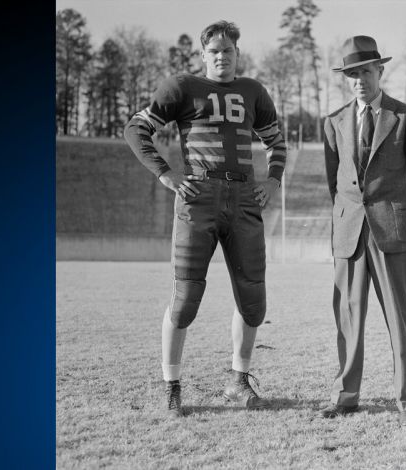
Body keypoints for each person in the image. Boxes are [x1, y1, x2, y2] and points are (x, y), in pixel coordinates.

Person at [124, 20, 286, 417]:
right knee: (184, 302)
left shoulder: (253, 91)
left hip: (244, 198)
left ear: (236, 53)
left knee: (253, 302)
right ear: (203, 54)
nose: (221, 56)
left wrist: (274, 180)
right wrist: (166, 173)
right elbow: (136, 128)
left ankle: (238, 381)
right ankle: (171, 385)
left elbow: (276, 141)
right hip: (198, 197)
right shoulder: (182, 87)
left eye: (228, 50)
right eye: (214, 50)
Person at [321, 36, 406, 426]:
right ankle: (346, 395)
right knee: (348, 316)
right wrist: (351, 217)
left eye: (365, 72)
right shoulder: (334, 122)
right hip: (349, 234)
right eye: (351, 74)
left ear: (379, 72)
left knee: (400, 319)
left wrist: (398, 213)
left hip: (393, 231)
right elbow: (334, 182)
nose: (359, 80)